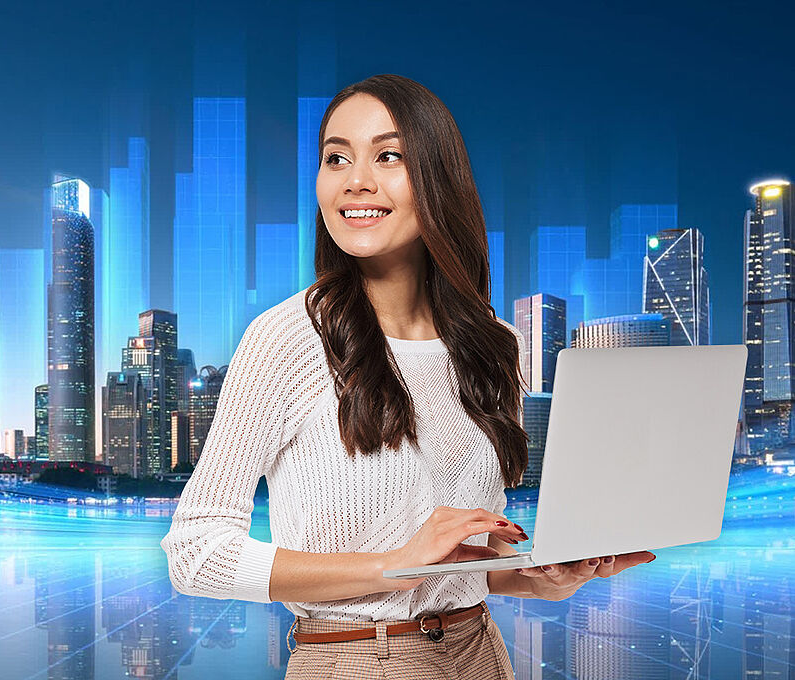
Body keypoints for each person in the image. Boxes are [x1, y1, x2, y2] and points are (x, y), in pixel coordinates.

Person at [160, 73, 655, 679]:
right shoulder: (288, 338)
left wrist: (539, 577)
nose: (354, 180)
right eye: (335, 157)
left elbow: (461, 567)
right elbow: (197, 555)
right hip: (355, 659)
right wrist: (394, 562)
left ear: (440, 181)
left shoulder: (494, 346)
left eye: (388, 156)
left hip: (480, 656)